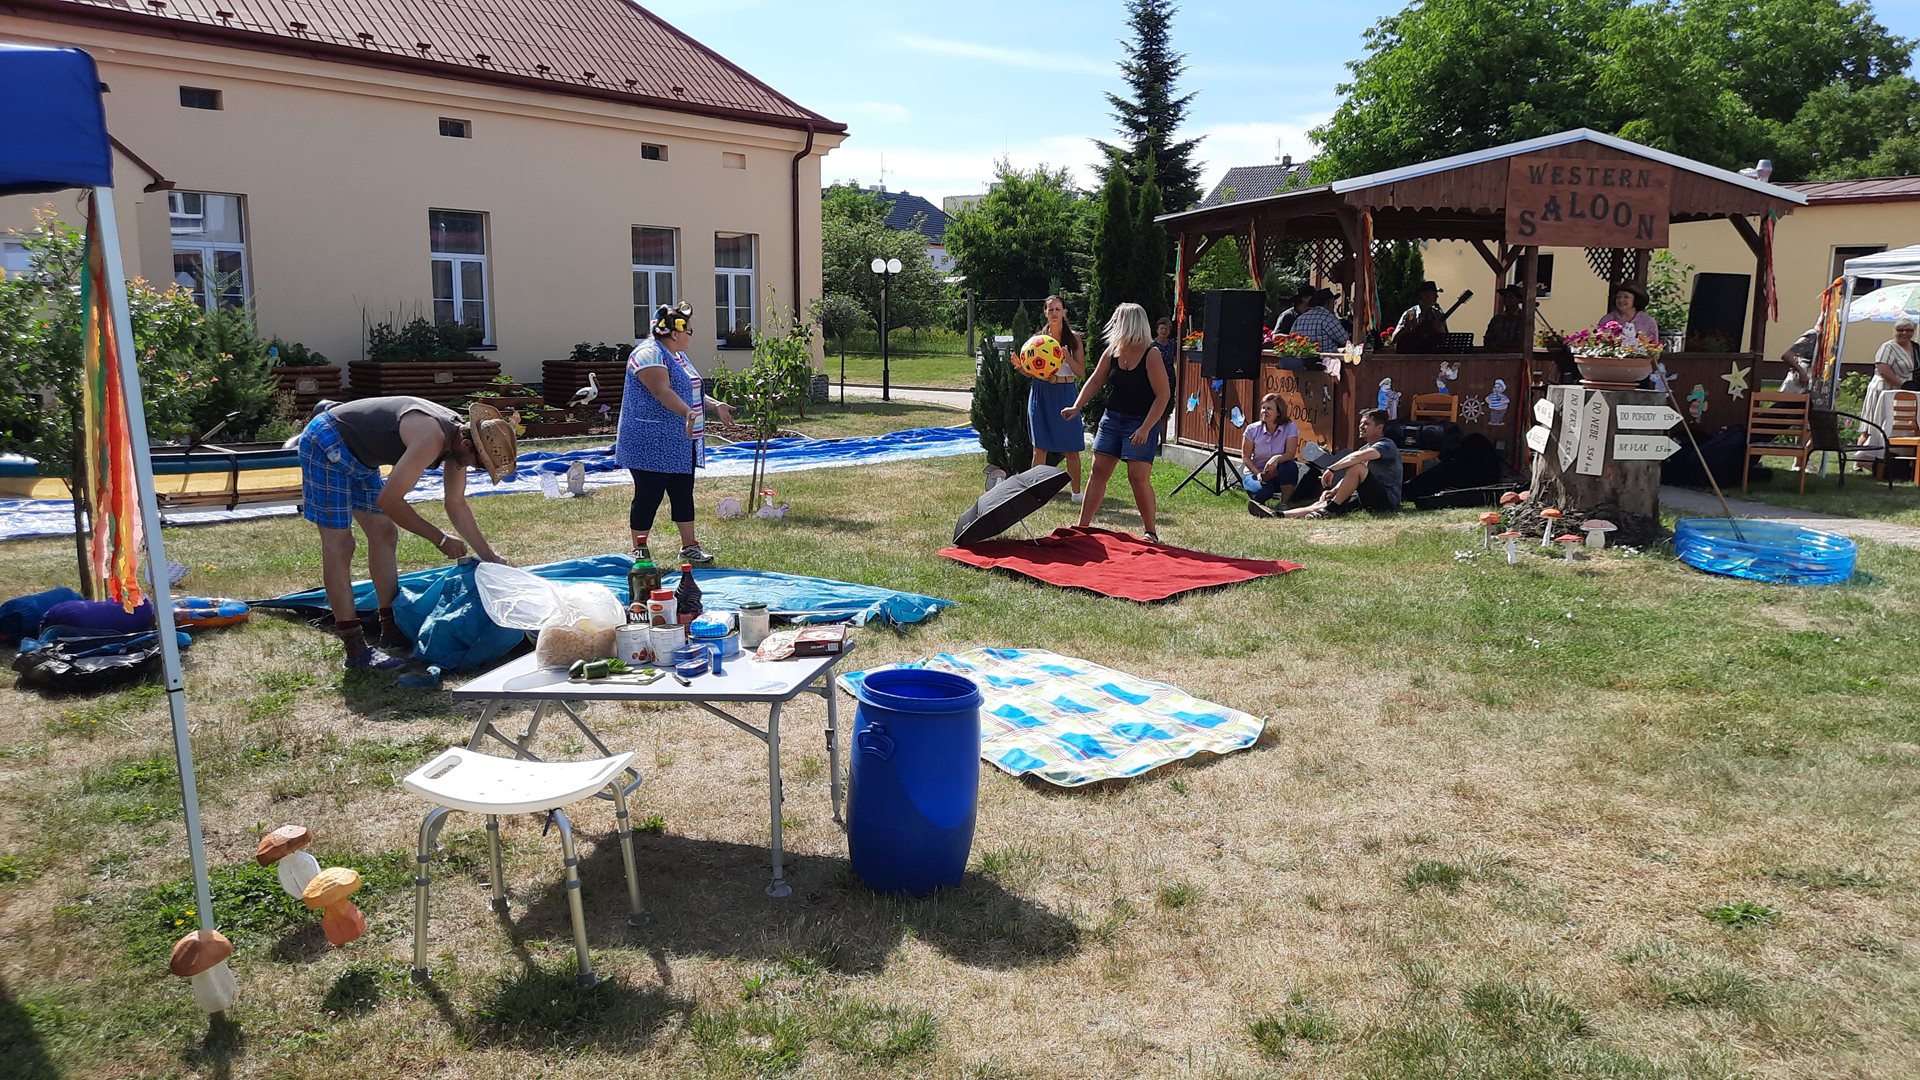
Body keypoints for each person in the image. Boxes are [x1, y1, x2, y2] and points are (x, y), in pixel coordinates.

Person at [297, 396, 516, 669]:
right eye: (478, 464)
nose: (474, 468)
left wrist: (490, 557)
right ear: (467, 444)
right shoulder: (432, 437)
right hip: (326, 441)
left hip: (362, 458)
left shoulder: (458, 440)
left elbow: (455, 503)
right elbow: (390, 501)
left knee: (384, 532)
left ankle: (390, 627)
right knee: (340, 544)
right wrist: (439, 539)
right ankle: (355, 647)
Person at [616, 302, 734, 564]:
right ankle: (639, 553)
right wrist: (688, 413)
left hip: (679, 440)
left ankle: (689, 546)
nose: (691, 335)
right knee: (649, 496)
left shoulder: (676, 354)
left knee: (682, 492)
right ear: (673, 332)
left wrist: (715, 405)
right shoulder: (648, 354)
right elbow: (661, 391)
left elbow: (688, 390)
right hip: (649, 440)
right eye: (688, 331)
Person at [1062, 303, 1172, 543]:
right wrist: (1076, 406)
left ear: (1130, 324)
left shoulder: (1151, 353)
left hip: (1141, 420)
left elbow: (1163, 395)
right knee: (1098, 471)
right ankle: (1082, 527)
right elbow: (1095, 380)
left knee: (1137, 475)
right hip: (1112, 418)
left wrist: (1145, 428)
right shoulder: (1113, 350)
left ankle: (1150, 532)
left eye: (1118, 320)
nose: (1114, 324)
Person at [1283, 408, 1401, 519]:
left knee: (1357, 467)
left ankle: (1331, 510)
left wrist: (1332, 469)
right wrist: (1334, 491)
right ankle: (1281, 514)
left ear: (1380, 427)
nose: (1361, 427)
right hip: (1365, 497)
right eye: (1361, 423)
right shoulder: (1364, 448)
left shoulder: (1387, 445)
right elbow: (1352, 476)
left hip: (1387, 501)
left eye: (1366, 424)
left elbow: (1356, 458)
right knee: (1324, 503)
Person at [1029, 294, 1086, 502]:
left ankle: (1076, 493)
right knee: (1040, 447)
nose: (1054, 313)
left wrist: (1067, 357)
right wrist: (1021, 366)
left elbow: (1081, 372)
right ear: (1045, 313)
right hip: (1041, 392)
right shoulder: (1038, 339)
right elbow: (1031, 370)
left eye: (1057, 309)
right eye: (1050, 309)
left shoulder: (1074, 338)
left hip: (1065, 392)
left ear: (1064, 312)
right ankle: (1035, 492)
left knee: (1071, 447)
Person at [1859, 318, 1918, 459]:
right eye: (1900, 330)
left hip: (1901, 392)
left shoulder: (1914, 347)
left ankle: (1886, 460)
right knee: (1873, 426)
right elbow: (1883, 369)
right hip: (1883, 389)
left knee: (1894, 427)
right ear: (1894, 331)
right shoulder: (1888, 347)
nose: (1904, 333)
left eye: (1909, 330)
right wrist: (1902, 384)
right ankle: (1860, 459)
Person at [1242, 392, 1301, 516]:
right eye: (1263, 408)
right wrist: (1258, 474)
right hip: (1255, 473)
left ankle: (1284, 504)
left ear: (1279, 412)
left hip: (1278, 472)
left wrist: (1276, 458)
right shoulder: (1252, 429)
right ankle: (1260, 504)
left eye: (1269, 409)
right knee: (1263, 493)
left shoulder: (1290, 427)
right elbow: (1246, 457)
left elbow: (1290, 454)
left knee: (1291, 466)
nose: (1265, 411)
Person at [1393, 281, 1450, 353]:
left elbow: (1447, 340)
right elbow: (1394, 339)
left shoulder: (1438, 314)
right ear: (1422, 295)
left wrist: (1442, 331)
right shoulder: (1411, 314)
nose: (1437, 296)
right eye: (1433, 293)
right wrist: (1406, 328)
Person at [1484, 284, 1528, 350]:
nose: (1507, 299)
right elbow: (1488, 338)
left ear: (1518, 299)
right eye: (1505, 297)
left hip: (1514, 354)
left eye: (1510, 297)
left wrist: (1499, 344)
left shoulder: (1523, 319)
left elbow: (1521, 342)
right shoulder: (1496, 319)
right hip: (1495, 353)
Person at [1778, 325, 1818, 394]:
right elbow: (1787, 356)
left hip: (1813, 385)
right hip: (1797, 383)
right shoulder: (1812, 335)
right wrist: (1801, 371)